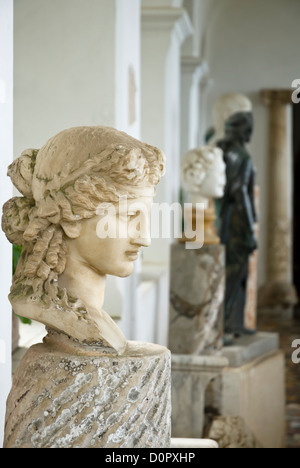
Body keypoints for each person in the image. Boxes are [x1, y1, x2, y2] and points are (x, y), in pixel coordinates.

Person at [2, 126, 165, 354]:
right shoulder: (65, 318)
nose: (145, 238)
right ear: (71, 217)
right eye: (128, 216)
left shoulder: (94, 318)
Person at [217, 112, 257, 339]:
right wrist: (250, 229)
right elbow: (240, 192)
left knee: (238, 273)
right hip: (237, 222)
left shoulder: (232, 153)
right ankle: (223, 325)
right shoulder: (241, 155)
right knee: (234, 272)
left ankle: (234, 323)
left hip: (231, 218)